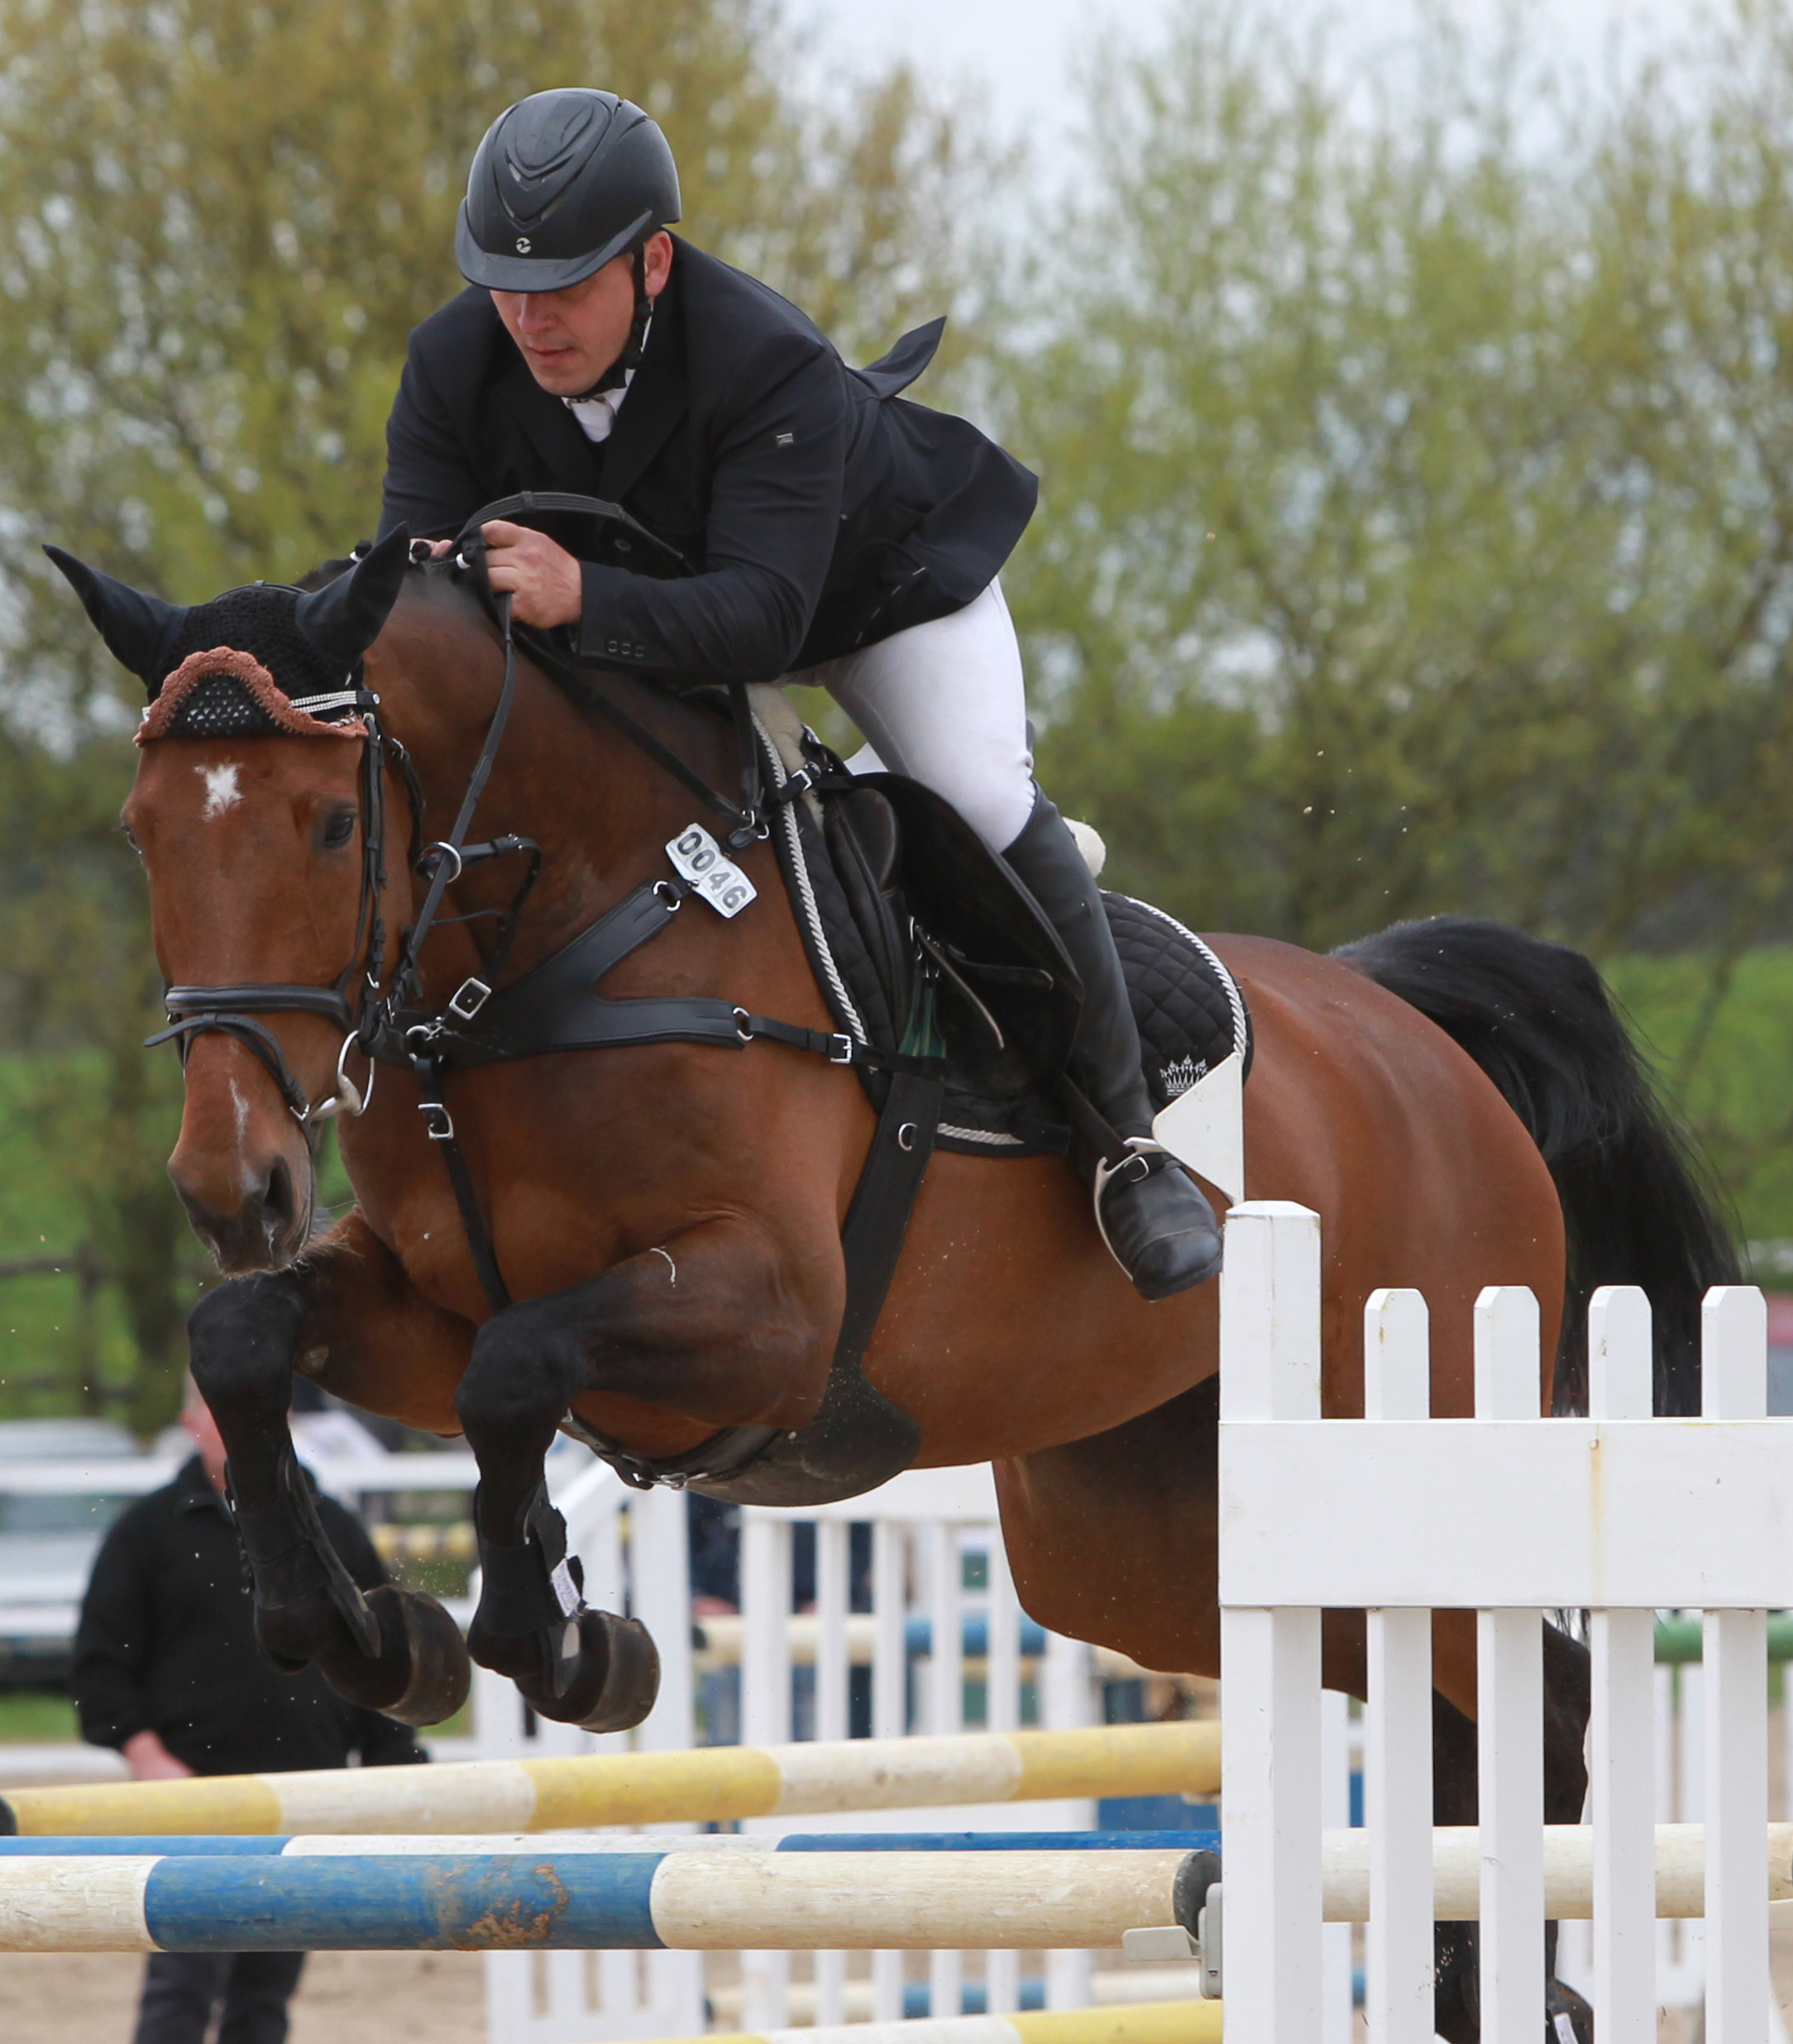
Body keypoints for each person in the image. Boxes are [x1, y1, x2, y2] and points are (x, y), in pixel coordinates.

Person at [378, 88, 1220, 1300]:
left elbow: (765, 621)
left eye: (563, 286)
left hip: (876, 599)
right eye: (506, 285)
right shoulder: (453, 362)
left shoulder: (760, 355)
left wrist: (582, 599)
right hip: (660, 625)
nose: (528, 318)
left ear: (652, 260)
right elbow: (413, 587)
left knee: (974, 794)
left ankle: (1128, 1147)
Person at [74, 1379, 425, 2044]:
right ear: (189, 1421)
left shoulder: (334, 1529)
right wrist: (145, 1755)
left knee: (266, 1992)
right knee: (185, 1982)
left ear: (286, 1421)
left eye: (258, 1406)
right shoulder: (145, 1532)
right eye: (220, 1406)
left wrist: (394, 1765)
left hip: (303, 1793)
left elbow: (379, 1657)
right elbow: (100, 1660)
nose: (240, 1421)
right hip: (192, 1795)